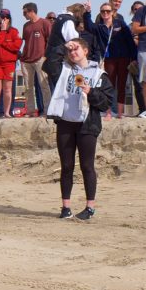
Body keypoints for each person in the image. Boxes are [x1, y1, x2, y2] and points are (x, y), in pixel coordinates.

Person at [46, 38, 115, 220]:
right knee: (66, 166)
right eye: (71, 50)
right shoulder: (64, 69)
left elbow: (106, 102)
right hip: (66, 123)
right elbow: (49, 63)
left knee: (87, 166)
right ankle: (65, 207)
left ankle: (89, 207)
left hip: (87, 124)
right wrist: (63, 46)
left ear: (85, 51)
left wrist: (91, 92)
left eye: (76, 49)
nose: (73, 52)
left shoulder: (99, 74)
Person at [95, 0, 136, 119]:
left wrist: (134, 57)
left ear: (112, 12)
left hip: (123, 57)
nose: (105, 13)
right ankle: (108, 112)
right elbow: (92, 36)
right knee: (109, 85)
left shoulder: (120, 24)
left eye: (108, 11)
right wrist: (87, 13)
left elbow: (130, 41)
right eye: (103, 11)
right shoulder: (99, 26)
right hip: (109, 58)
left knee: (122, 85)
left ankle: (119, 113)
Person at [0, 9, 22, 119]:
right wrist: (2, 31)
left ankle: (7, 112)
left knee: (8, 89)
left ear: (9, 19)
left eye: (6, 17)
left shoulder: (14, 31)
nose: (4, 19)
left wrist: (4, 44)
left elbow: (17, 46)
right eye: (2, 17)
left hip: (9, 64)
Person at [19, 3, 52, 117]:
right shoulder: (26, 26)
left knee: (44, 85)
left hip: (40, 58)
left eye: (25, 12)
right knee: (28, 87)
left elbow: (50, 41)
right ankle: (30, 110)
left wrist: (46, 56)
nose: (23, 15)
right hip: (26, 59)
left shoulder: (45, 23)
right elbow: (26, 42)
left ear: (31, 11)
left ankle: (48, 110)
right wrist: (22, 57)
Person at [43, 3, 85, 91]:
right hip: (58, 59)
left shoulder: (60, 18)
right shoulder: (68, 21)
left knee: (57, 87)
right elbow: (73, 40)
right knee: (62, 87)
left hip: (52, 58)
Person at [128, 0, 146, 115]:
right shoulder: (129, 27)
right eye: (136, 9)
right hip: (135, 60)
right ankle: (142, 109)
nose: (138, 11)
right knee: (138, 87)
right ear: (132, 10)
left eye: (140, 8)